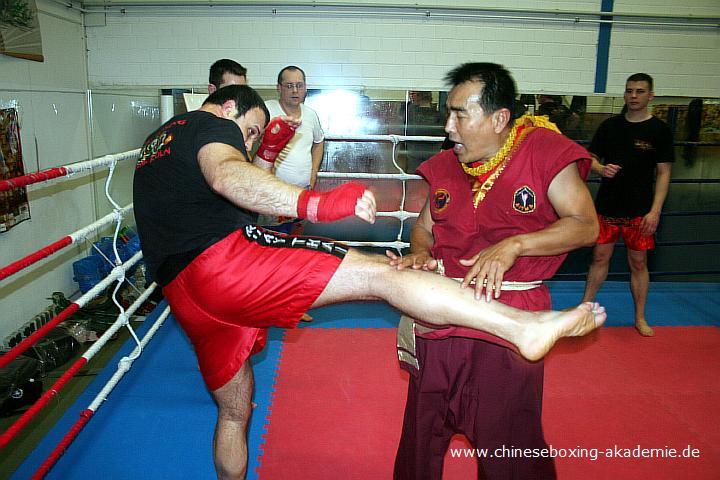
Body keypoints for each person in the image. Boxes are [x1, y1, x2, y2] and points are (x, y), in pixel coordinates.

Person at [132, 85, 606, 480]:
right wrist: (317, 205)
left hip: (184, 296)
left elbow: (237, 192)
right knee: (382, 272)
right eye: (250, 129)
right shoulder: (210, 125)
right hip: (222, 265)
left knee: (234, 411)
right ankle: (522, 328)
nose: (251, 140)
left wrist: (267, 161)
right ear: (230, 108)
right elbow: (226, 174)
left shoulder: (157, 146)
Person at [389, 62, 599, 480]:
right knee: (422, 429)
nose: (448, 126)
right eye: (448, 113)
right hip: (442, 309)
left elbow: (585, 224)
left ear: (499, 118)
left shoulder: (543, 151)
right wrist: (419, 254)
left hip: (511, 314)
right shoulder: (447, 165)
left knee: (508, 440)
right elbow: (423, 228)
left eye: (459, 114)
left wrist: (515, 245)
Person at [582, 73, 674, 337]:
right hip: (607, 207)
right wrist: (599, 168)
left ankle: (640, 317)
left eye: (640, 91)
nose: (633, 96)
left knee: (638, 263)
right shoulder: (610, 126)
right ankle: (584, 309)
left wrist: (655, 211)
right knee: (599, 258)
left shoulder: (659, 131)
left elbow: (664, 173)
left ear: (650, 95)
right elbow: (590, 156)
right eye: (630, 91)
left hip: (640, 210)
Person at [260, 65, 325, 234]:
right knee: (271, 243)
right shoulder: (265, 110)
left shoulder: (310, 114)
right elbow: (246, 137)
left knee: (295, 241)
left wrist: (313, 174)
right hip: (272, 193)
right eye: (289, 86)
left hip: (301, 192)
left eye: (299, 85)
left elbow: (319, 142)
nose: (295, 90)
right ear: (278, 88)